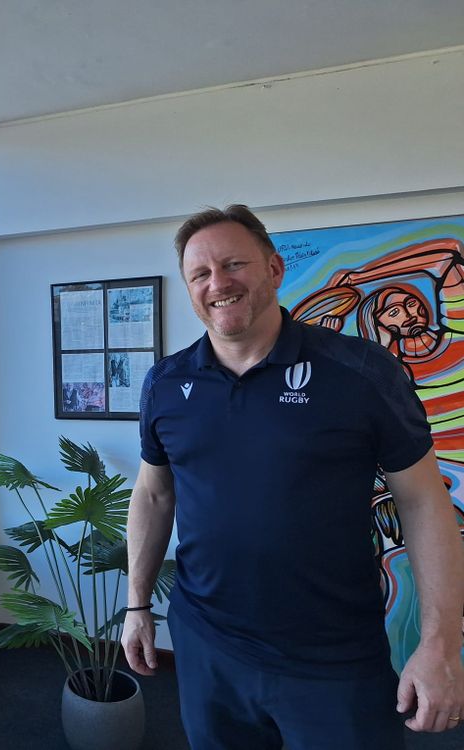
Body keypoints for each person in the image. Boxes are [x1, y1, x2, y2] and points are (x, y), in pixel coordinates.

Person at [121, 205, 464, 749]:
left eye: (234, 264)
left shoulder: (362, 371)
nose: (218, 284)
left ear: (274, 269)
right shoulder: (166, 382)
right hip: (208, 644)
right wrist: (138, 604)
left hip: (333, 658)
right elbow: (153, 494)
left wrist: (440, 645)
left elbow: (424, 503)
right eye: (201, 274)